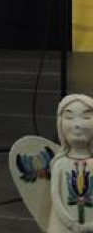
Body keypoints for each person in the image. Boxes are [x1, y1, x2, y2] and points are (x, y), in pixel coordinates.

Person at [48, 94, 93, 232]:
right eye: (69, 117)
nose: (77, 125)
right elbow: (56, 197)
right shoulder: (60, 163)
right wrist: (71, 224)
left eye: (86, 117)